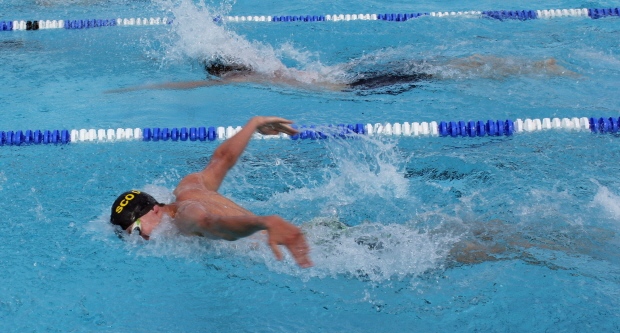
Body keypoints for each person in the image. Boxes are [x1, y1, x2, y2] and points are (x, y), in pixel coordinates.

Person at [110, 116, 313, 268]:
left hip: (292, 248)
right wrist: (254, 124)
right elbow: (222, 159)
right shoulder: (187, 188)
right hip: (304, 232)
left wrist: (265, 222)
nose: (140, 239)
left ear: (155, 210)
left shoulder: (183, 218)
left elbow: (210, 223)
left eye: (136, 231)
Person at [109, 54, 578, 94]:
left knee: (440, 77)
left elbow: (188, 84)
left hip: (355, 91)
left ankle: (534, 70)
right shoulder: (269, 67)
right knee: (437, 71)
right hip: (351, 80)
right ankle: (529, 66)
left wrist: (137, 88)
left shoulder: (244, 80)